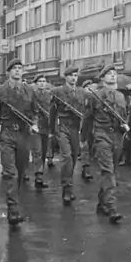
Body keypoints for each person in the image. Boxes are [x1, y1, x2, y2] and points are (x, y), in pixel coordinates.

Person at [0, 59, 39, 225]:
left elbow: (35, 111)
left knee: (20, 170)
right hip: (7, 134)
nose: (18, 71)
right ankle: (13, 209)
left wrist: (34, 124)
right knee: (10, 172)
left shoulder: (29, 90)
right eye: (14, 69)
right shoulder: (0, 91)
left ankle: (14, 201)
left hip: (24, 134)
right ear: (8, 72)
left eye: (20, 68)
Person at [81, 64, 128, 224]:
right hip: (101, 135)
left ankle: (102, 202)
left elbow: (123, 116)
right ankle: (111, 206)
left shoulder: (121, 97)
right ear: (102, 78)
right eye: (109, 74)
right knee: (108, 171)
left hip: (117, 136)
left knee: (111, 170)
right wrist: (83, 138)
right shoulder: (95, 96)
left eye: (115, 74)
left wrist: (125, 125)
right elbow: (87, 118)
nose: (113, 76)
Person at [49, 66, 86, 205]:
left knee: (74, 157)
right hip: (62, 127)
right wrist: (52, 130)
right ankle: (67, 188)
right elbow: (52, 112)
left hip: (76, 128)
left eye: (75, 75)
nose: (73, 78)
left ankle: (68, 183)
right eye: (71, 75)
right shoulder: (58, 91)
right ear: (66, 77)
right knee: (67, 157)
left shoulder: (82, 92)